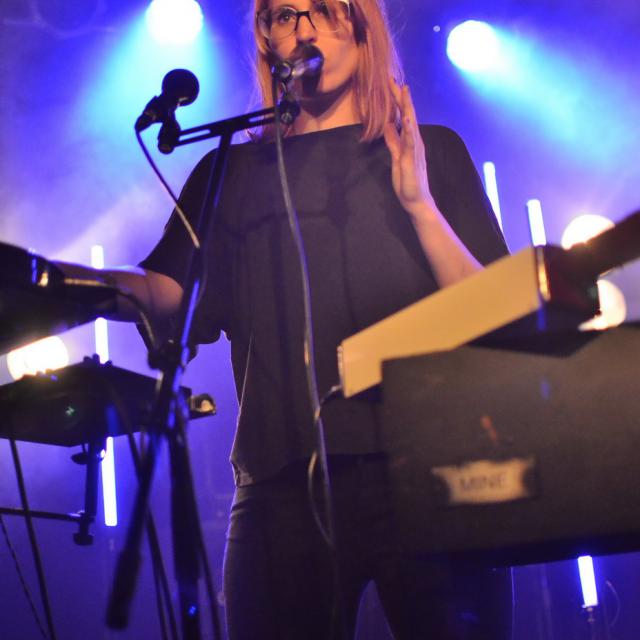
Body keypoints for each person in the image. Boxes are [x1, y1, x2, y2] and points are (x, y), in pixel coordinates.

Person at [60, 0, 512, 637]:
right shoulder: (230, 170)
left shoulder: (429, 149)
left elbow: (492, 311)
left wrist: (420, 206)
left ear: (362, 25)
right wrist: (62, 283)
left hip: (434, 471)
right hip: (283, 481)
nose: (302, 29)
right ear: (266, 41)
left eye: (321, 9)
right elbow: (168, 288)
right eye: (281, 15)